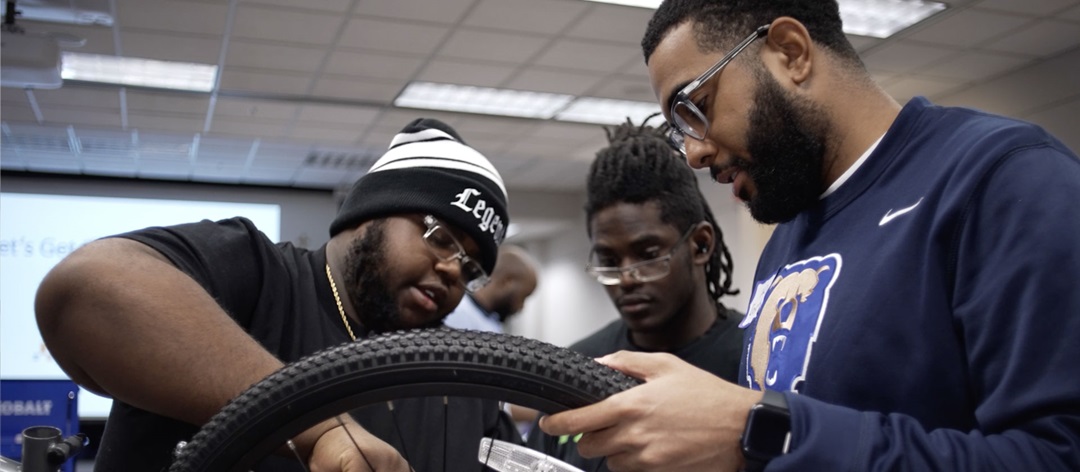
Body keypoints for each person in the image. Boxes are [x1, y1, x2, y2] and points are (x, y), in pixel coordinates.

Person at [538, 1, 1080, 471]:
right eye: (680, 131)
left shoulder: (1002, 179)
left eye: (695, 108)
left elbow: (1056, 455)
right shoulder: (790, 236)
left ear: (791, 52)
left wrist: (757, 431)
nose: (696, 153)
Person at [35, 117, 522, 471]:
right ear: (369, 215)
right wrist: (320, 427)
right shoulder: (259, 274)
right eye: (439, 237)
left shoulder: (458, 377)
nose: (451, 269)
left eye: (472, 265)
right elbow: (86, 288)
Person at [526, 117, 744, 471]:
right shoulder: (577, 366)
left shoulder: (757, 359)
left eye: (648, 254)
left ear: (700, 245)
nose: (626, 278)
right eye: (609, 260)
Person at [443, 244, 539, 333]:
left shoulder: (491, 319)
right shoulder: (457, 314)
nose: (521, 306)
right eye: (523, 297)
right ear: (507, 282)